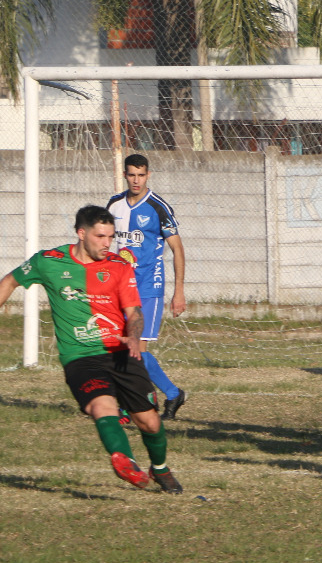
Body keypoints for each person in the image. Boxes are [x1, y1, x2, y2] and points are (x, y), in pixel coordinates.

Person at [0, 206, 183, 493]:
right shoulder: (49, 261)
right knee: (102, 406)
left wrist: (134, 337)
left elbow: (134, 313)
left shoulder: (119, 266)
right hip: (81, 357)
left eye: (110, 236)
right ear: (81, 233)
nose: (107, 243)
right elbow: (10, 280)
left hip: (122, 352)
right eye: (100, 236)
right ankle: (125, 460)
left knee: (149, 422)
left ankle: (159, 467)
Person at [107, 154, 188, 420]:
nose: (136, 180)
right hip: (121, 286)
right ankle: (156, 397)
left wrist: (178, 291)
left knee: (137, 350)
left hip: (148, 287)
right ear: (125, 175)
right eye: (131, 175)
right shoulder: (114, 205)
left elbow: (177, 249)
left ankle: (168, 395)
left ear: (148, 175)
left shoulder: (157, 207)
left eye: (141, 175)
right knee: (117, 346)